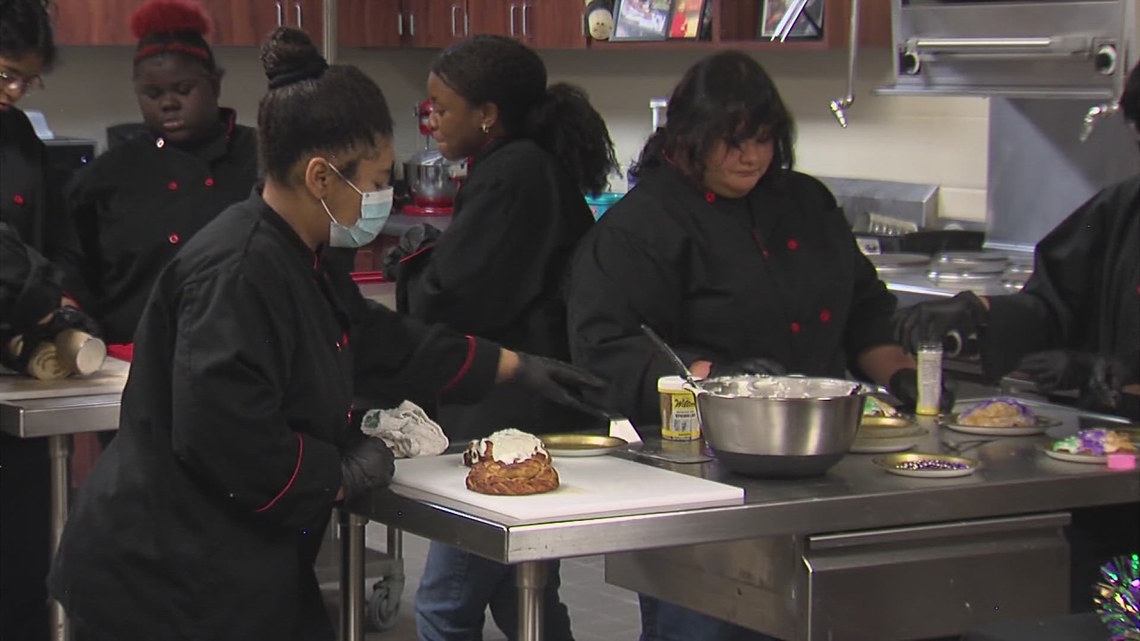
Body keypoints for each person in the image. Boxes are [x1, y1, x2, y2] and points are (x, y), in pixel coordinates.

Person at [47, 27, 604, 641]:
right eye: (375, 177)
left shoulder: (301, 255)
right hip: (166, 576)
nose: (381, 195)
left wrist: (506, 365)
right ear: (320, 177)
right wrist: (337, 472)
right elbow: (227, 435)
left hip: (234, 564)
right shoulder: (238, 271)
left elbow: (372, 340)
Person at [565, 51, 943, 641]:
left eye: (764, 140)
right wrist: (723, 380)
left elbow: (865, 312)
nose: (750, 157)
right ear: (688, 138)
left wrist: (903, 376)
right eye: (731, 141)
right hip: (700, 477)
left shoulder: (806, 204)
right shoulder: (641, 227)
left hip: (825, 465)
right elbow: (605, 349)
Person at [389, 34, 616, 641]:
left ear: (487, 113)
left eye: (442, 107)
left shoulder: (514, 173)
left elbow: (462, 293)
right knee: (526, 600)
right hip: (532, 402)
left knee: (444, 606)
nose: (431, 120)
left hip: (514, 411)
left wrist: (415, 272)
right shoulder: (523, 166)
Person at [894, 60, 1140, 612]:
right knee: (1096, 606)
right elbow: (1054, 303)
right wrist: (979, 314)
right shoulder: (1124, 209)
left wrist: (1108, 375)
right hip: (1118, 470)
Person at [68, 0, 258, 348]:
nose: (168, 103)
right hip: (129, 358)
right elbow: (75, 268)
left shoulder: (261, 159)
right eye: (152, 94)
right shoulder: (107, 175)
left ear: (214, 85)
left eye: (183, 90)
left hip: (242, 352)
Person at [0, 3, 94, 639]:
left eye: (27, 81)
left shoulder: (19, 138)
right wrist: (35, 289)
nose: (14, 92)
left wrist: (59, 294)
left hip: (20, 378)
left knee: (24, 557)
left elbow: (58, 240)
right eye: (6, 74)